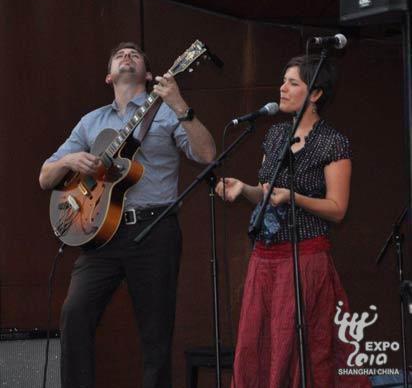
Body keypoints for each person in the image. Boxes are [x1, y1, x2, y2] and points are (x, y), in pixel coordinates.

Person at [39, 41, 216, 388]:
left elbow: (207, 153)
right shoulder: (91, 122)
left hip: (153, 229)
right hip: (98, 231)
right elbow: (45, 177)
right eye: (119, 54)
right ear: (109, 76)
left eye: (135, 54)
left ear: (149, 74)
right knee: (73, 314)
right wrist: (69, 161)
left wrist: (179, 103)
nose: (127, 55)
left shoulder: (165, 111)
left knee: (155, 333)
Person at [216, 55, 370, 388]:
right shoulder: (274, 136)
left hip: (305, 258)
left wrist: (294, 197)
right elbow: (269, 194)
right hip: (265, 258)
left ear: (315, 94)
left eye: (293, 83)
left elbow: (337, 208)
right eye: (283, 81)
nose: (282, 89)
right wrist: (245, 190)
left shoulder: (333, 142)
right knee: (259, 346)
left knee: (307, 350)